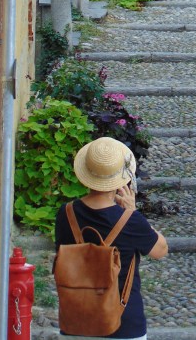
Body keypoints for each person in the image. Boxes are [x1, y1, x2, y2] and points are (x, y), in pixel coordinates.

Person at [55, 137, 168, 339]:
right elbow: (161, 250)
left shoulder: (66, 214)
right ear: (122, 180)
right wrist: (133, 211)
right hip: (124, 324)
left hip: (77, 321)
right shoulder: (130, 220)